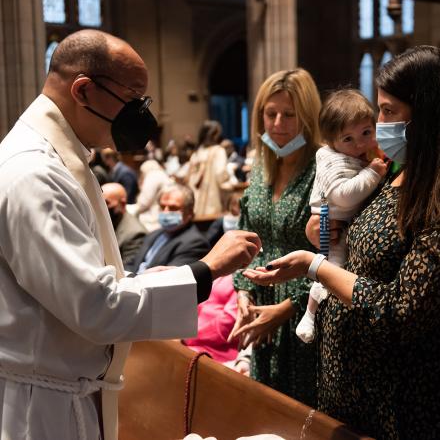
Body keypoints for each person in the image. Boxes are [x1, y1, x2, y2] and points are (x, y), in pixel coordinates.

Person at [0, 29, 261, 440]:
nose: (141, 112)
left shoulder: (59, 157)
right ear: (84, 91)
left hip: (63, 390)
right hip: (45, 410)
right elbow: (96, 305)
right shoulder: (38, 174)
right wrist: (206, 270)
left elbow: (96, 283)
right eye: (134, 97)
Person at [242, 46, 440, 439]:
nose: (378, 124)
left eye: (388, 111)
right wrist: (326, 231)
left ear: (429, 115)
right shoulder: (402, 173)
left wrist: (316, 267)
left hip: (414, 398)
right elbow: (370, 248)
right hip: (359, 394)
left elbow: (402, 310)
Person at [227, 68, 322, 406]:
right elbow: (245, 237)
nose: (278, 123)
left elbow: (335, 258)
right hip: (263, 313)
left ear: (307, 118)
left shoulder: (322, 171)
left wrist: (286, 308)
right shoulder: (262, 168)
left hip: (307, 316)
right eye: (271, 113)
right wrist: (243, 293)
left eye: (289, 115)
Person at [295, 89, 387, 343]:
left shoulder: (356, 155)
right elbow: (343, 195)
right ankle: (309, 315)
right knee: (330, 269)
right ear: (331, 142)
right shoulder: (334, 161)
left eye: (366, 133)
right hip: (333, 223)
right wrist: (373, 174)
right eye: (348, 139)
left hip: (340, 224)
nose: (359, 144)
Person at [130, 184, 210, 273]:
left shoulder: (195, 243)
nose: (165, 212)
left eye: (173, 208)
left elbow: (169, 279)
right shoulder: (153, 234)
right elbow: (131, 264)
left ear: (189, 212)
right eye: (162, 206)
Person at [187, 120, 230, 217]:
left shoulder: (196, 153)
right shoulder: (218, 151)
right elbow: (220, 174)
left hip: (195, 203)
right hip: (211, 201)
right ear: (214, 135)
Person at [102, 182, 147, 266]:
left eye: (106, 203)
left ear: (122, 203)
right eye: (100, 202)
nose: (102, 206)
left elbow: (127, 267)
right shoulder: (108, 221)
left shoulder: (135, 233)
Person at [134, 158, 172, 231]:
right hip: (161, 215)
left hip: (153, 219)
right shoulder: (162, 174)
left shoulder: (153, 176)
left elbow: (143, 203)